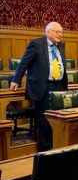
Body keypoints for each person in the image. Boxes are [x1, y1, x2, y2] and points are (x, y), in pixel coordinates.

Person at [10, 22, 68, 151]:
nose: (60, 35)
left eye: (61, 32)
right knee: (45, 121)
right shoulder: (36, 44)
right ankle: (45, 151)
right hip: (43, 87)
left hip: (59, 86)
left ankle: (57, 146)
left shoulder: (61, 45)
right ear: (48, 32)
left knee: (58, 119)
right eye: (57, 32)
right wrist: (15, 80)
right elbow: (24, 63)